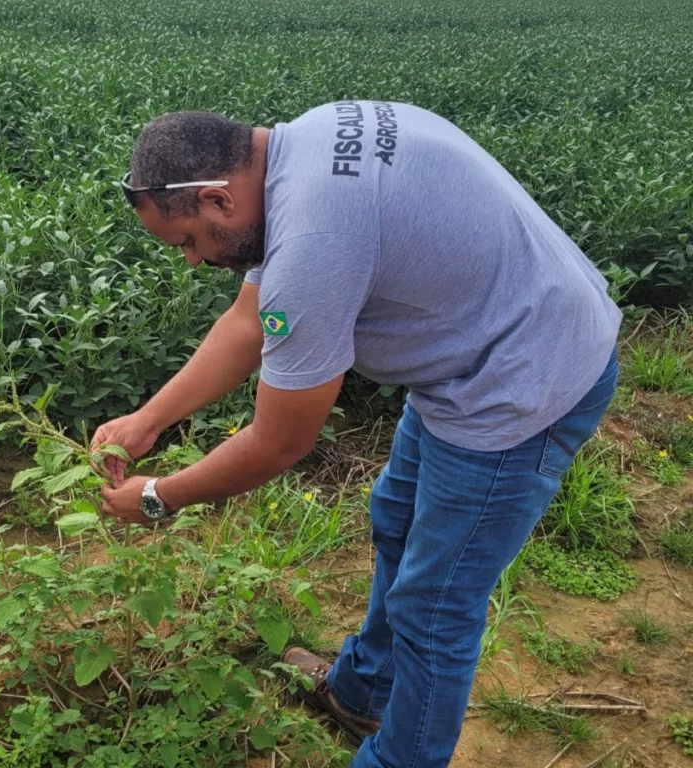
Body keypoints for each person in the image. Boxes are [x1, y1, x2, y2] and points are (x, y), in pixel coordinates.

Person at [92, 102, 621, 768]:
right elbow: (247, 321)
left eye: (188, 241)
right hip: (486, 346)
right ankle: (363, 690)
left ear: (215, 198)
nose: (194, 261)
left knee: (435, 606)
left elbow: (279, 442)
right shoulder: (301, 151)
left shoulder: (312, 246)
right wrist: (147, 421)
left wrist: (157, 498)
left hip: (522, 384)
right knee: (396, 516)